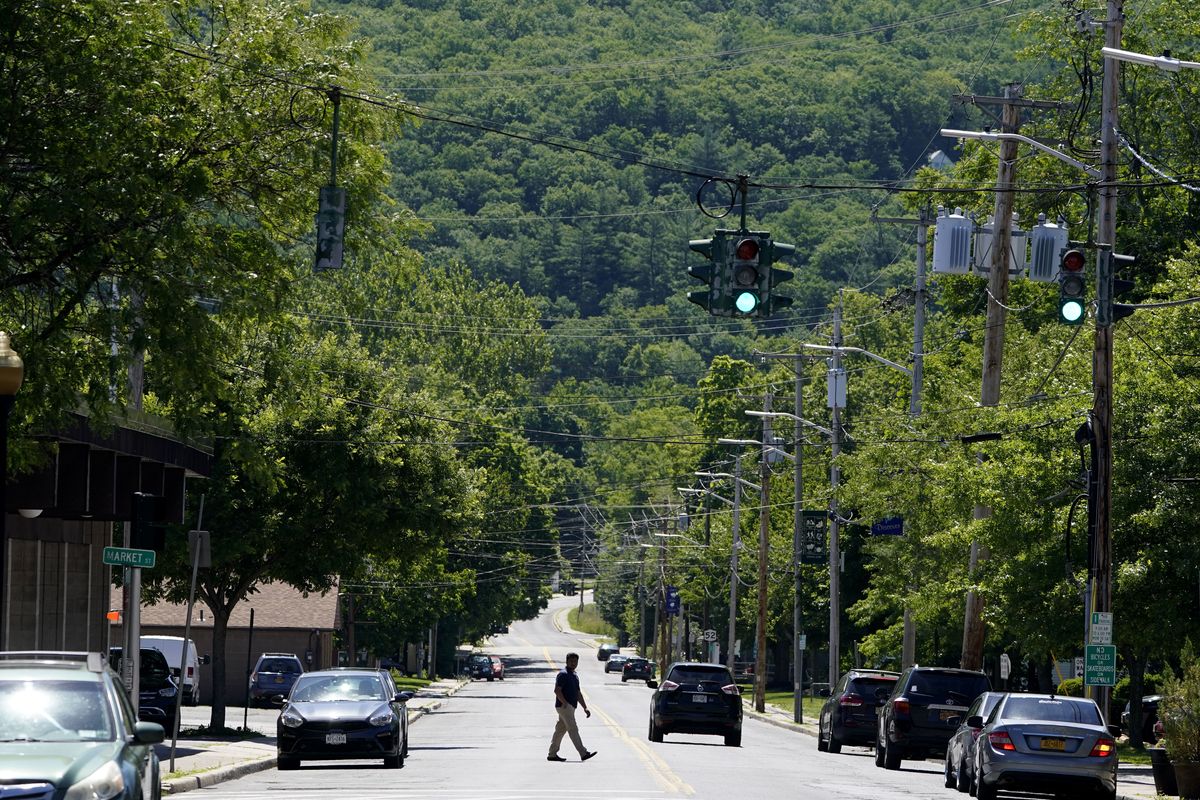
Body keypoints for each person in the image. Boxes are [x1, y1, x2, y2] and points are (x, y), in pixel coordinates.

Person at [547, 652, 596, 762]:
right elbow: (557, 690)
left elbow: (578, 693)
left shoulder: (574, 675)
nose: (573, 663)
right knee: (573, 729)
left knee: (560, 730)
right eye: (571, 661)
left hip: (569, 707)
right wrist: (564, 702)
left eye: (575, 661)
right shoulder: (563, 674)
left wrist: (585, 707)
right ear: (567, 661)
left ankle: (552, 754)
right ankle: (583, 753)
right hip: (565, 707)